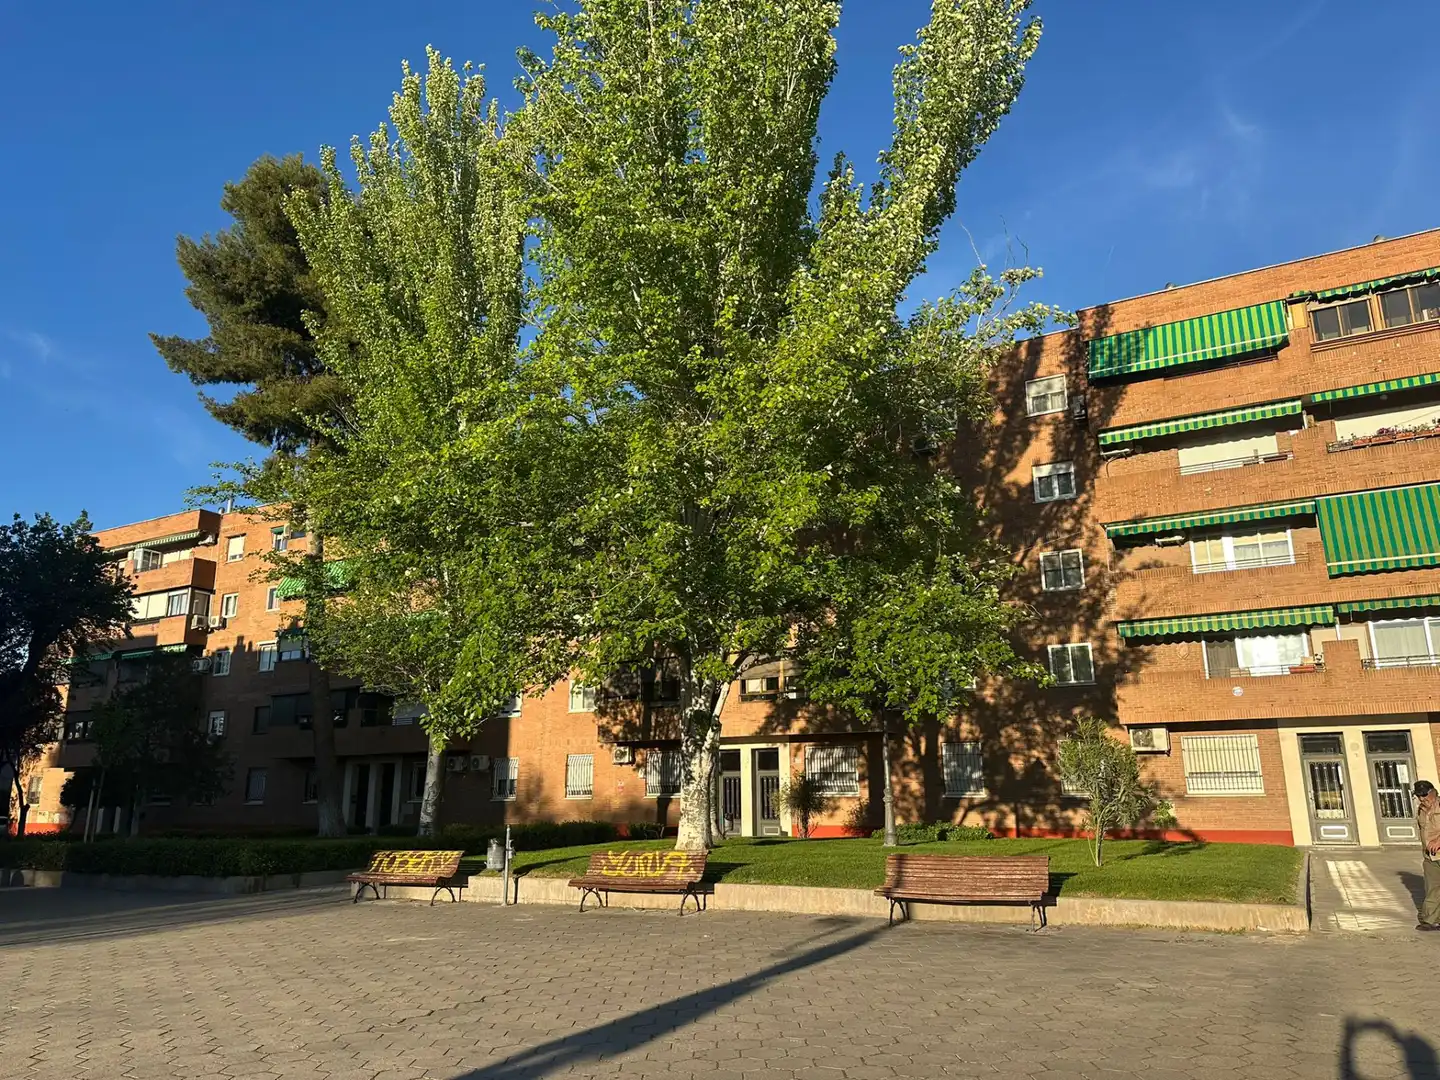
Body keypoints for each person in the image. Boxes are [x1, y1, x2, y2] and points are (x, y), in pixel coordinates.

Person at [1416, 780, 1440, 931]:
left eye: (1424, 795)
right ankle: (1431, 920)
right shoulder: (1421, 810)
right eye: (1419, 796)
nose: (1421, 798)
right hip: (1430, 856)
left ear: (1433, 792)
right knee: (1432, 888)